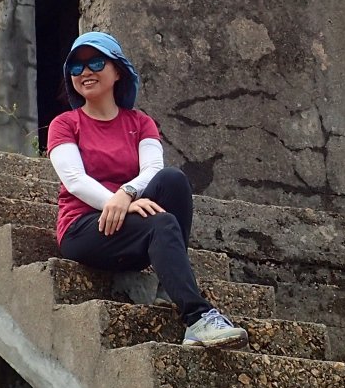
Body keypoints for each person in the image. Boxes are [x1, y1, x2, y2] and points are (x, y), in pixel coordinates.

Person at [45, 32, 249, 349]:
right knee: (162, 223)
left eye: (96, 62)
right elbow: (74, 180)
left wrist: (126, 194)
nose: (85, 72)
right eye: (76, 66)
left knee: (173, 179)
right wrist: (118, 203)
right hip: (84, 228)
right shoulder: (65, 124)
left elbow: (153, 170)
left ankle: (170, 287)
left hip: (129, 228)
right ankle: (197, 318)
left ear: (117, 71)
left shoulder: (140, 123)